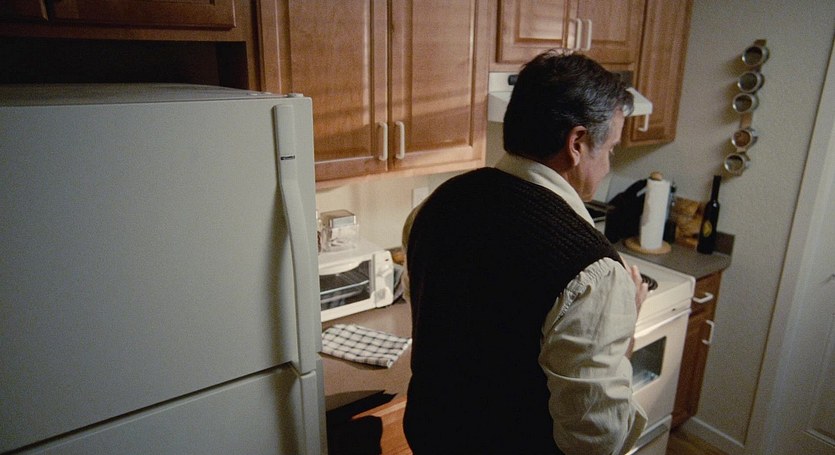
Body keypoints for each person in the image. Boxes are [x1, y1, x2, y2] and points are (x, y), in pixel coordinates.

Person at [401, 50, 649, 455]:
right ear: (577, 143)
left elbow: (434, 314)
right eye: (610, 149)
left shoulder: (436, 205)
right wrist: (624, 331)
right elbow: (595, 442)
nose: (608, 166)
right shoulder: (594, 272)